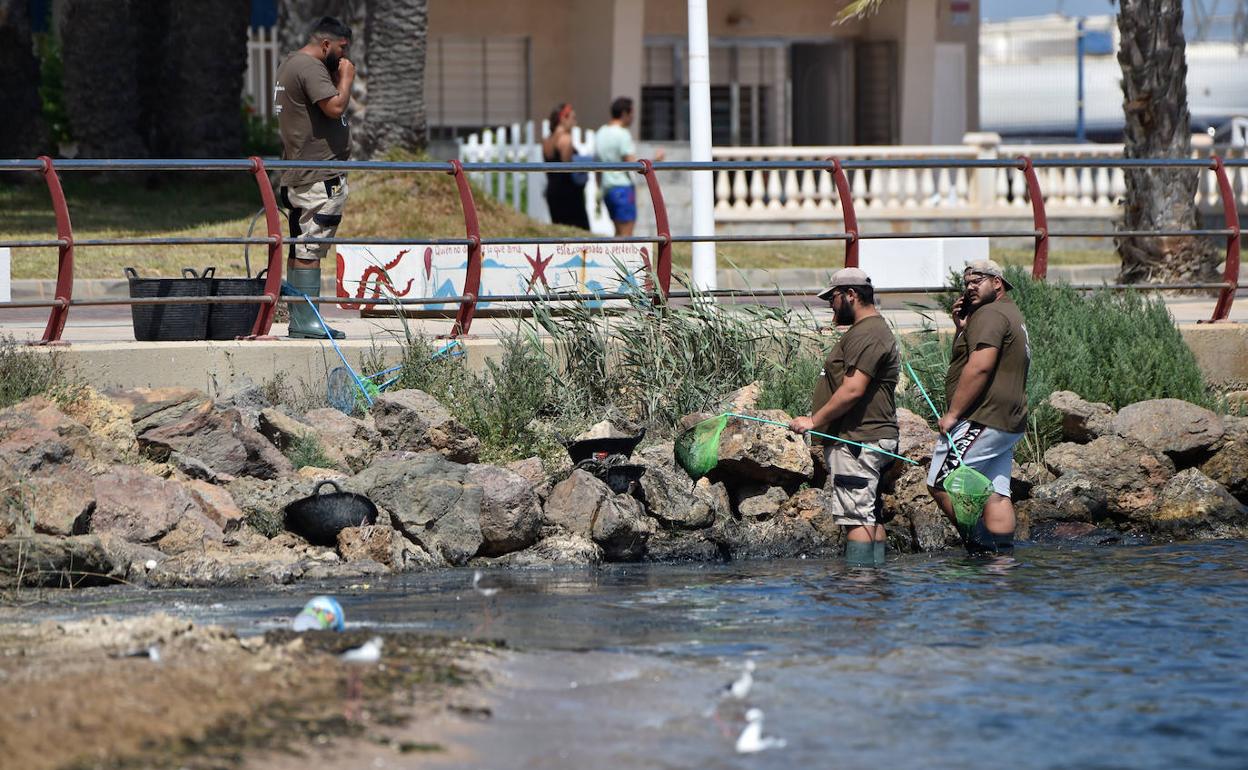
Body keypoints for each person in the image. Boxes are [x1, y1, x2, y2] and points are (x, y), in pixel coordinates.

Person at [789, 268, 900, 567]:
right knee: (870, 516)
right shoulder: (870, 330)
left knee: (857, 519)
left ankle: (857, 588)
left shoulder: (868, 333)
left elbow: (853, 389)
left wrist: (813, 421)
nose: (831, 305)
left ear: (851, 295)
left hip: (858, 441)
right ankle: (874, 583)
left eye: (833, 298)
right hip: (867, 439)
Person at [927, 259, 1031, 555]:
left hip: (983, 417)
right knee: (996, 493)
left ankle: (982, 551)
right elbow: (970, 359)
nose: (970, 287)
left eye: (977, 281)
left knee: (942, 483)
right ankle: (1002, 561)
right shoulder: (1008, 312)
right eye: (966, 283)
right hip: (1008, 420)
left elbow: (980, 367)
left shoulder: (990, 314)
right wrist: (962, 329)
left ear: (997, 283)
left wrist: (952, 415)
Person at [273, 16, 354, 339]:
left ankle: (301, 319)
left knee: (301, 247)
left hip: (300, 172)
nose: (344, 55)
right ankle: (307, 321)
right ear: (326, 44)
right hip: (318, 177)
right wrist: (346, 78)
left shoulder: (291, 63)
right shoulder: (310, 67)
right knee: (310, 248)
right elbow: (334, 107)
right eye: (342, 48)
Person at [594, 97, 663, 237]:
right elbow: (633, 164)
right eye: (632, 113)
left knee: (618, 233)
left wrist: (599, 189)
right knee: (627, 235)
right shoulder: (622, 134)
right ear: (624, 113)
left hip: (607, 190)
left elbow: (597, 166)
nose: (633, 117)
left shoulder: (601, 132)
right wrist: (655, 160)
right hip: (623, 189)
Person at [541, 103, 590, 230]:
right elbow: (567, 167)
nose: (575, 122)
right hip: (568, 194)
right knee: (579, 232)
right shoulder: (566, 139)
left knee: (560, 232)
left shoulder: (547, 140)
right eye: (573, 118)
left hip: (553, 191)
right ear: (563, 119)